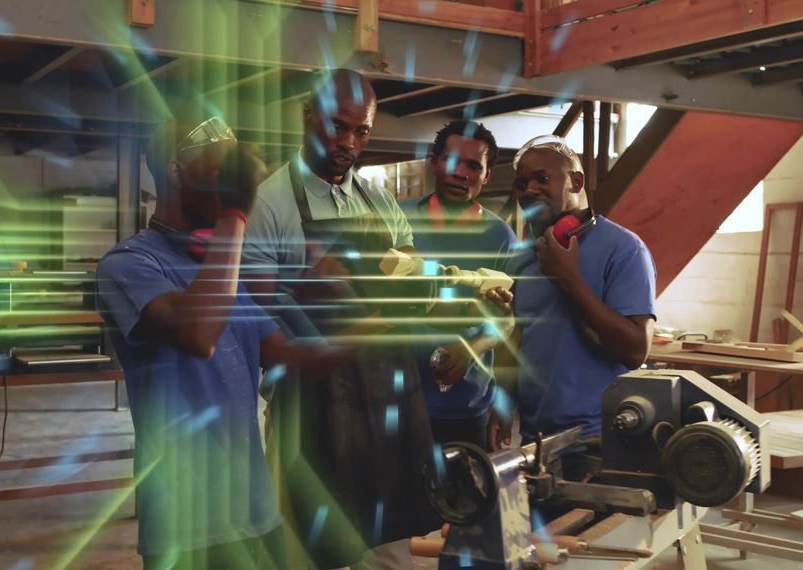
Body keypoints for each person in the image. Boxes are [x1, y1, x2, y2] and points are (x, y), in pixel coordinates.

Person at [96, 110, 347, 570]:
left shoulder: (221, 268)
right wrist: (235, 214)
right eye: (221, 174)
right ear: (176, 172)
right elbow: (198, 334)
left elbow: (287, 357)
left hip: (255, 512)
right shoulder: (129, 264)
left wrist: (379, 325)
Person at [241, 69, 438, 569]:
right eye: (336, 126)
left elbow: (411, 277)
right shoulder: (268, 202)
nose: (348, 142)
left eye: (362, 131)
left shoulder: (378, 199)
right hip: (309, 399)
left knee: (390, 541)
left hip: (388, 389)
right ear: (308, 117)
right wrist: (315, 283)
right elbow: (259, 311)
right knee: (308, 542)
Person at [490, 135, 657, 475]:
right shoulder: (523, 257)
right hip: (536, 441)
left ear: (576, 181)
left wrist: (568, 280)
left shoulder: (624, 249)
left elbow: (636, 349)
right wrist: (502, 402)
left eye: (543, 178)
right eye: (522, 183)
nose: (529, 190)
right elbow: (516, 338)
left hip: (601, 441)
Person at [400, 120, 516, 450]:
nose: (460, 172)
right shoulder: (396, 221)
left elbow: (508, 321)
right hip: (396, 400)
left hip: (466, 409)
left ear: (487, 175)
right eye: (451, 161)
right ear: (434, 162)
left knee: (462, 498)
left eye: (473, 165)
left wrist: (471, 350)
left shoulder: (500, 237)